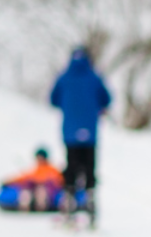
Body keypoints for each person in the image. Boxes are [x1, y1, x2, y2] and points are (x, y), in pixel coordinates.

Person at [48, 46, 112, 208]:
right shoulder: (94, 77)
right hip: (90, 132)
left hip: (70, 132)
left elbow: (53, 100)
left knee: (72, 163)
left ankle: (70, 193)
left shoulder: (64, 77)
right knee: (89, 164)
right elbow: (106, 99)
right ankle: (89, 194)